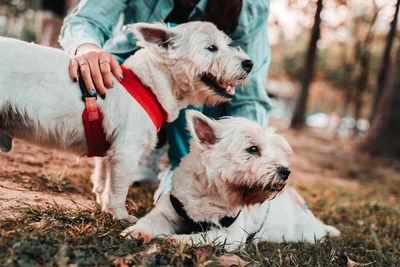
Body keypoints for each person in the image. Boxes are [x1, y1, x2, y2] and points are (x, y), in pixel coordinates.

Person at [59, 0, 273, 174]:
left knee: (192, 80)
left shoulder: (251, 6)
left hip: (203, 95)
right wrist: (87, 48)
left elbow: (250, 96)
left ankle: (184, 169)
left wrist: (252, 152)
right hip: (127, 68)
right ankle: (142, 142)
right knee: (94, 73)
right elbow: (86, 20)